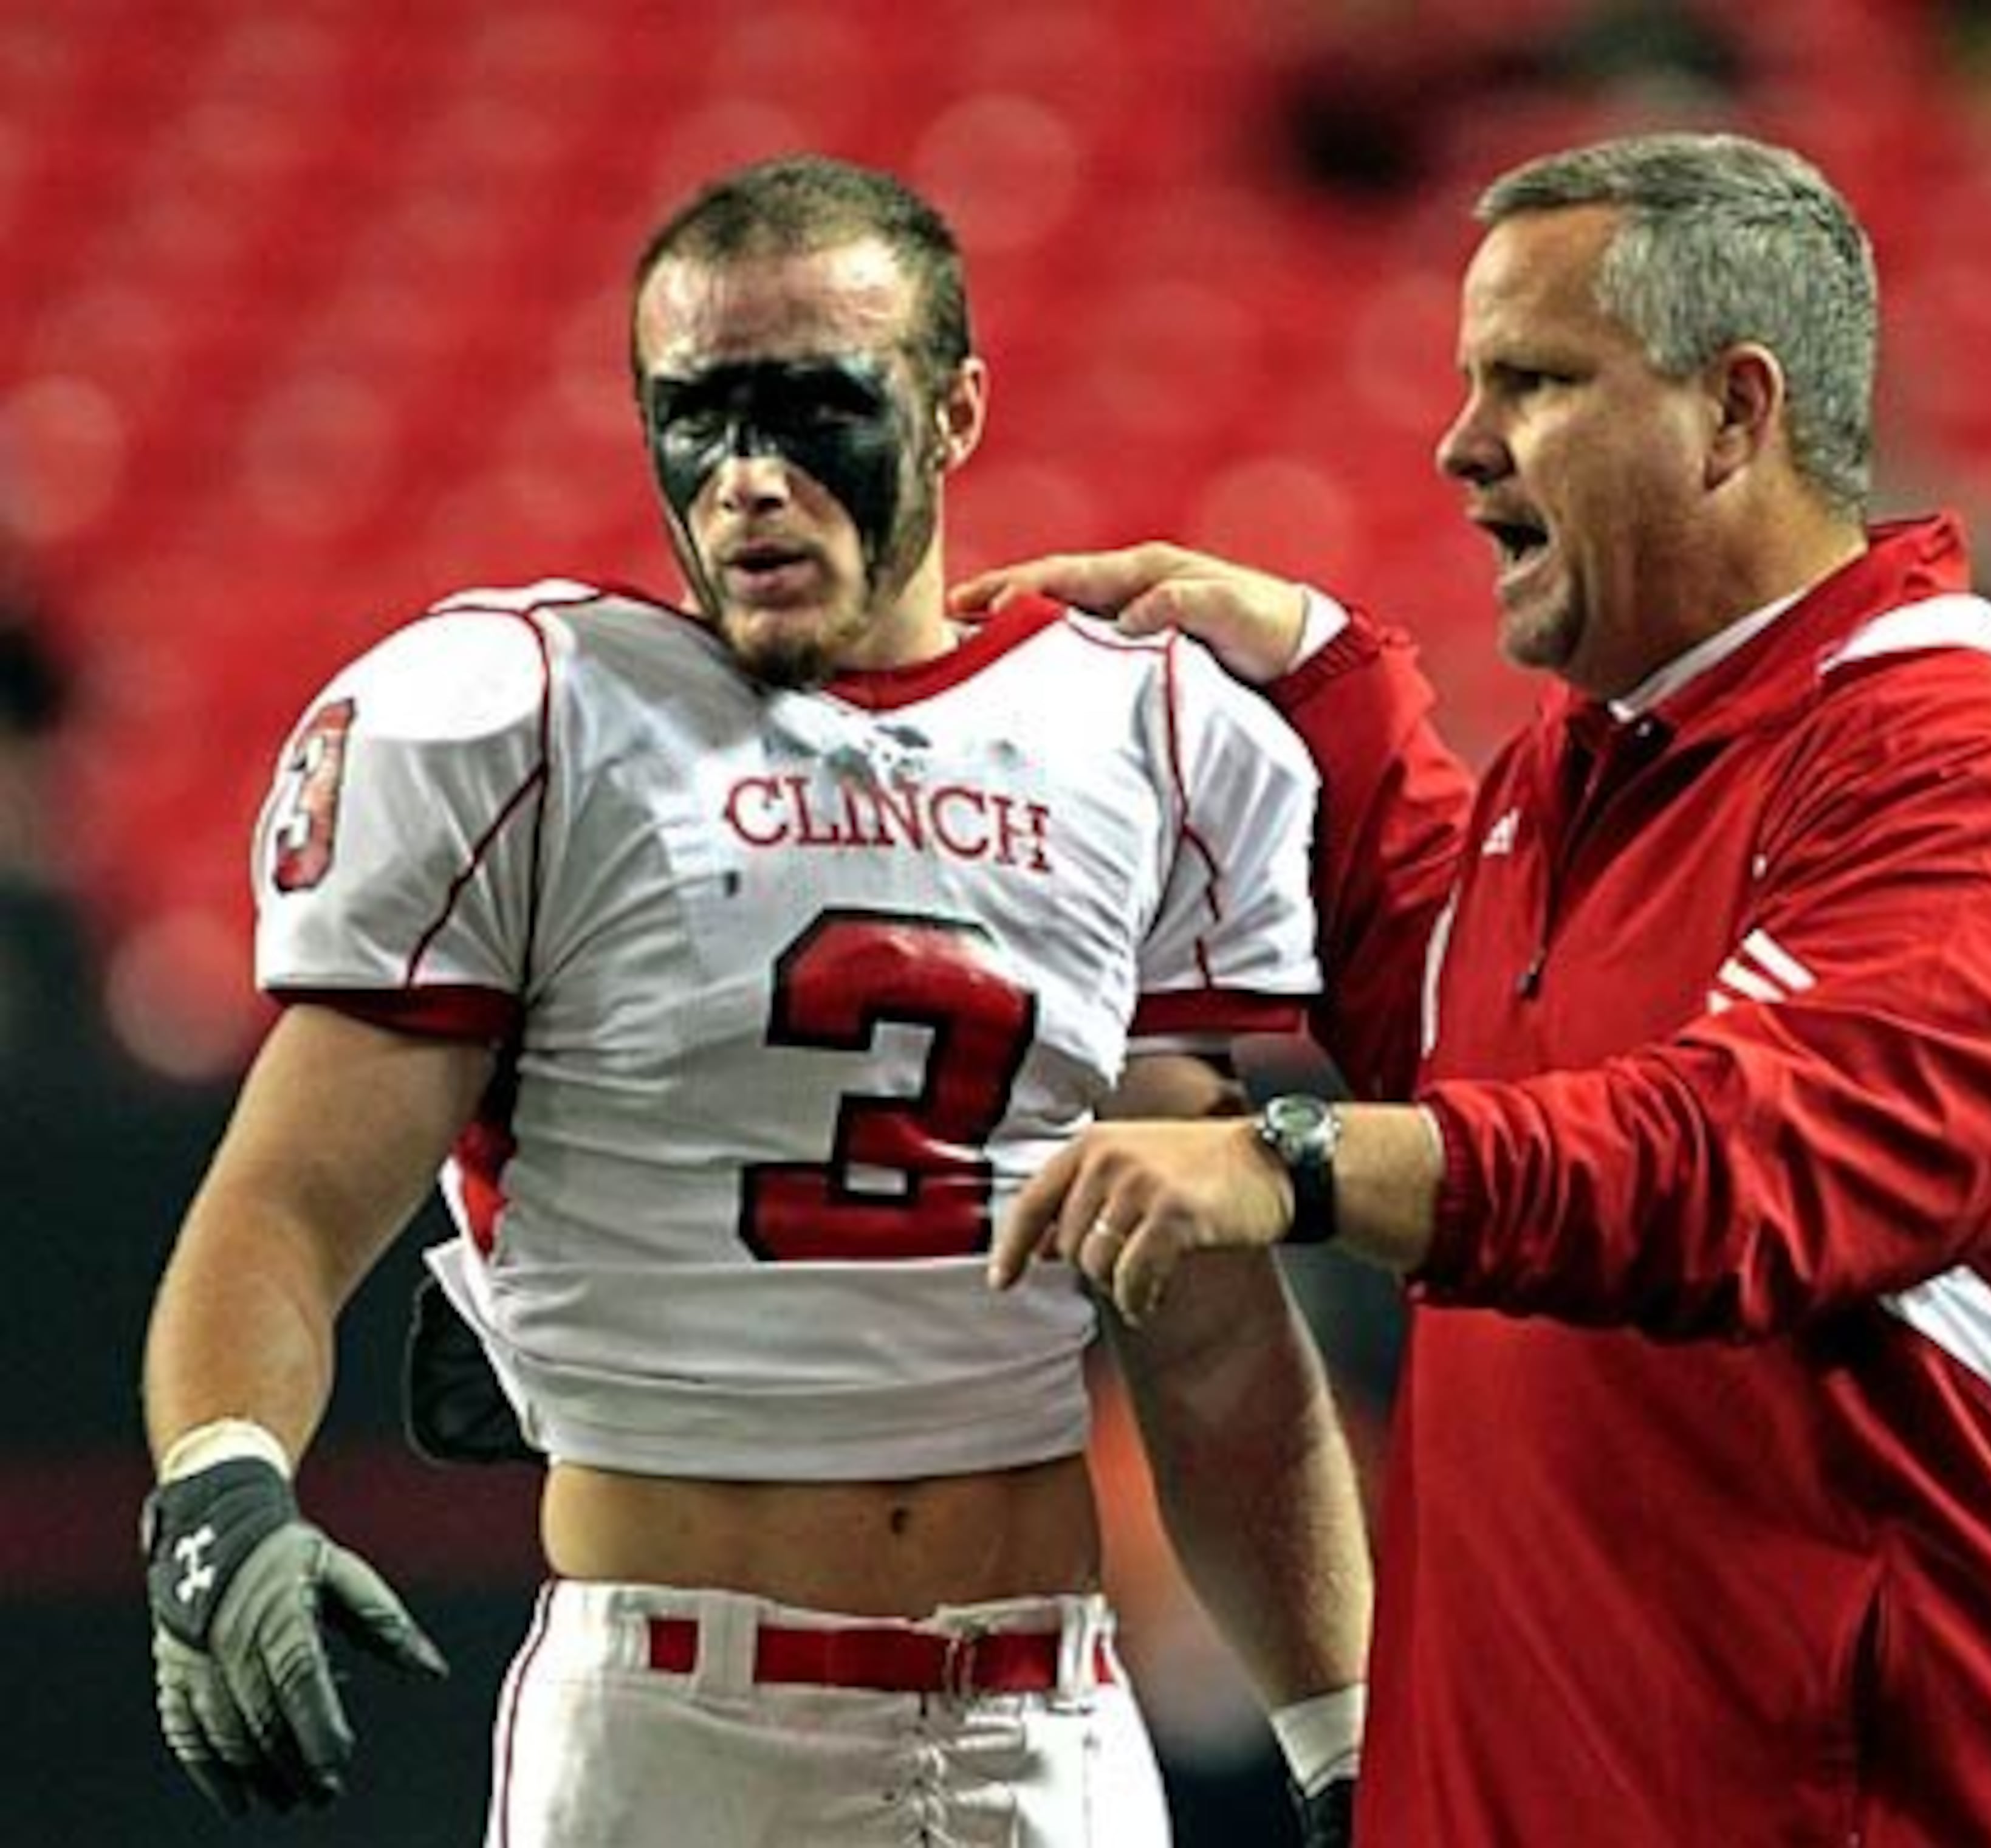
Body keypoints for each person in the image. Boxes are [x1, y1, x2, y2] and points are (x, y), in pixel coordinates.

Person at [963, 131, 1991, 1843]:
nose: (1459, 441)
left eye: (1536, 380)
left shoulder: (1974, 777)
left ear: (1735, 413)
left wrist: (1293, 1156)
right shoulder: (1607, 759)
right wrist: (1320, 682)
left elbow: (1748, 1162)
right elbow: (1475, 1033)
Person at [138, 154, 1371, 1847]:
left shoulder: (1148, 735)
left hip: (1051, 1720)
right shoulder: (533, 717)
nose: (749, 481)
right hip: (673, 1728)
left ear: (953, 412)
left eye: (815, 409)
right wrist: (219, 1477)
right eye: (698, 415)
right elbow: (282, 1201)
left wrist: (1346, 1735)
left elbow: (1215, 1332)